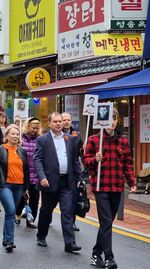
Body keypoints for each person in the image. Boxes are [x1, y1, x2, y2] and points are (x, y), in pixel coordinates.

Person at [84, 109, 137, 269]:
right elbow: (86, 161)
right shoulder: (94, 140)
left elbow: (127, 164)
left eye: (114, 118)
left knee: (107, 223)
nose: (112, 121)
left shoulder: (123, 141)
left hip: (117, 186)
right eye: (109, 118)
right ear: (103, 120)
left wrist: (132, 181)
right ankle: (109, 258)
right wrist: (95, 159)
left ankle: (95, 253)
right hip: (100, 187)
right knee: (106, 221)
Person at [34, 112, 82, 252]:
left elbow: (74, 160)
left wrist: (79, 178)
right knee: (46, 211)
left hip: (67, 181)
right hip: (49, 181)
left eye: (60, 121)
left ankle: (70, 243)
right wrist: (42, 176)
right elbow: (38, 160)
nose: (59, 123)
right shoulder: (43, 139)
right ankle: (41, 235)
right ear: (49, 123)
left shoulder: (69, 139)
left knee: (67, 211)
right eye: (55, 121)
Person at [0, 124, 29, 252]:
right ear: (6, 136)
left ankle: (5, 238)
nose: (15, 136)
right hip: (4, 185)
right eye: (12, 134)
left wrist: (26, 187)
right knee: (11, 210)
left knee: (10, 213)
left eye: (17, 134)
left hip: (19, 186)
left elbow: (26, 170)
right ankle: (10, 241)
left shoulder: (22, 151)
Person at [15, 117, 41, 228]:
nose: (35, 130)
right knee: (21, 198)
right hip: (22, 174)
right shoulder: (20, 139)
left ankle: (31, 219)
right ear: (27, 126)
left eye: (37, 128)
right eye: (33, 128)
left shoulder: (41, 139)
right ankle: (17, 213)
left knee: (34, 199)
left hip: (36, 174)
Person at [62, 112, 84, 232]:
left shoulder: (76, 135)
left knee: (73, 198)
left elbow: (80, 154)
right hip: (59, 172)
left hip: (73, 172)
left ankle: (72, 222)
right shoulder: (56, 134)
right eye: (64, 119)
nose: (66, 121)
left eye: (68, 119)